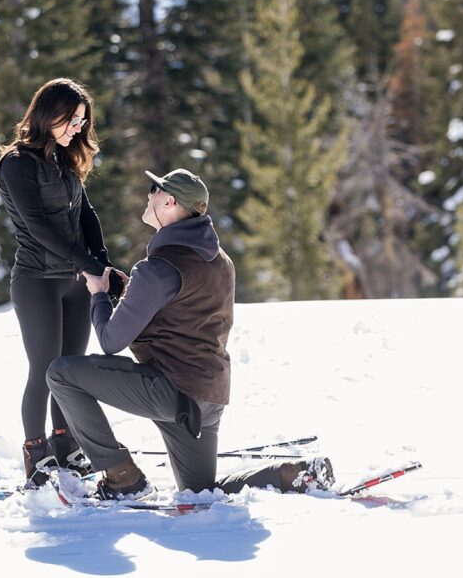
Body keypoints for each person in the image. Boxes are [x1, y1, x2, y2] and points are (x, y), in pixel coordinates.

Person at [45, 168, 333, 500]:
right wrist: (129, 292)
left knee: (62, 374)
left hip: (171, 391)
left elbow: (111, 341)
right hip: (207, 397)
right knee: (199, 492)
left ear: (169, 201)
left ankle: (122, 476)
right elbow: (184, 312)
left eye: (154, 190)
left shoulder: (159, 267)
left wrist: (97, 293)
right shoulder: (220, 261)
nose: (149, 195)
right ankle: (294, 474)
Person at [0, 78, 126, 487]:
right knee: (44, 369)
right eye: (71, 120)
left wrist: (101, 265)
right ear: (47, 114)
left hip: (73, 282)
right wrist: (89, 265)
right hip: (37, 281)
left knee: (69, 371)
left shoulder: (64, 160)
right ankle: (37, 456)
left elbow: (87, 217)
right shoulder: (17, 164)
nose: (77, 129)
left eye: (82, 122)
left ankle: (66, 446)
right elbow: (39, 228)